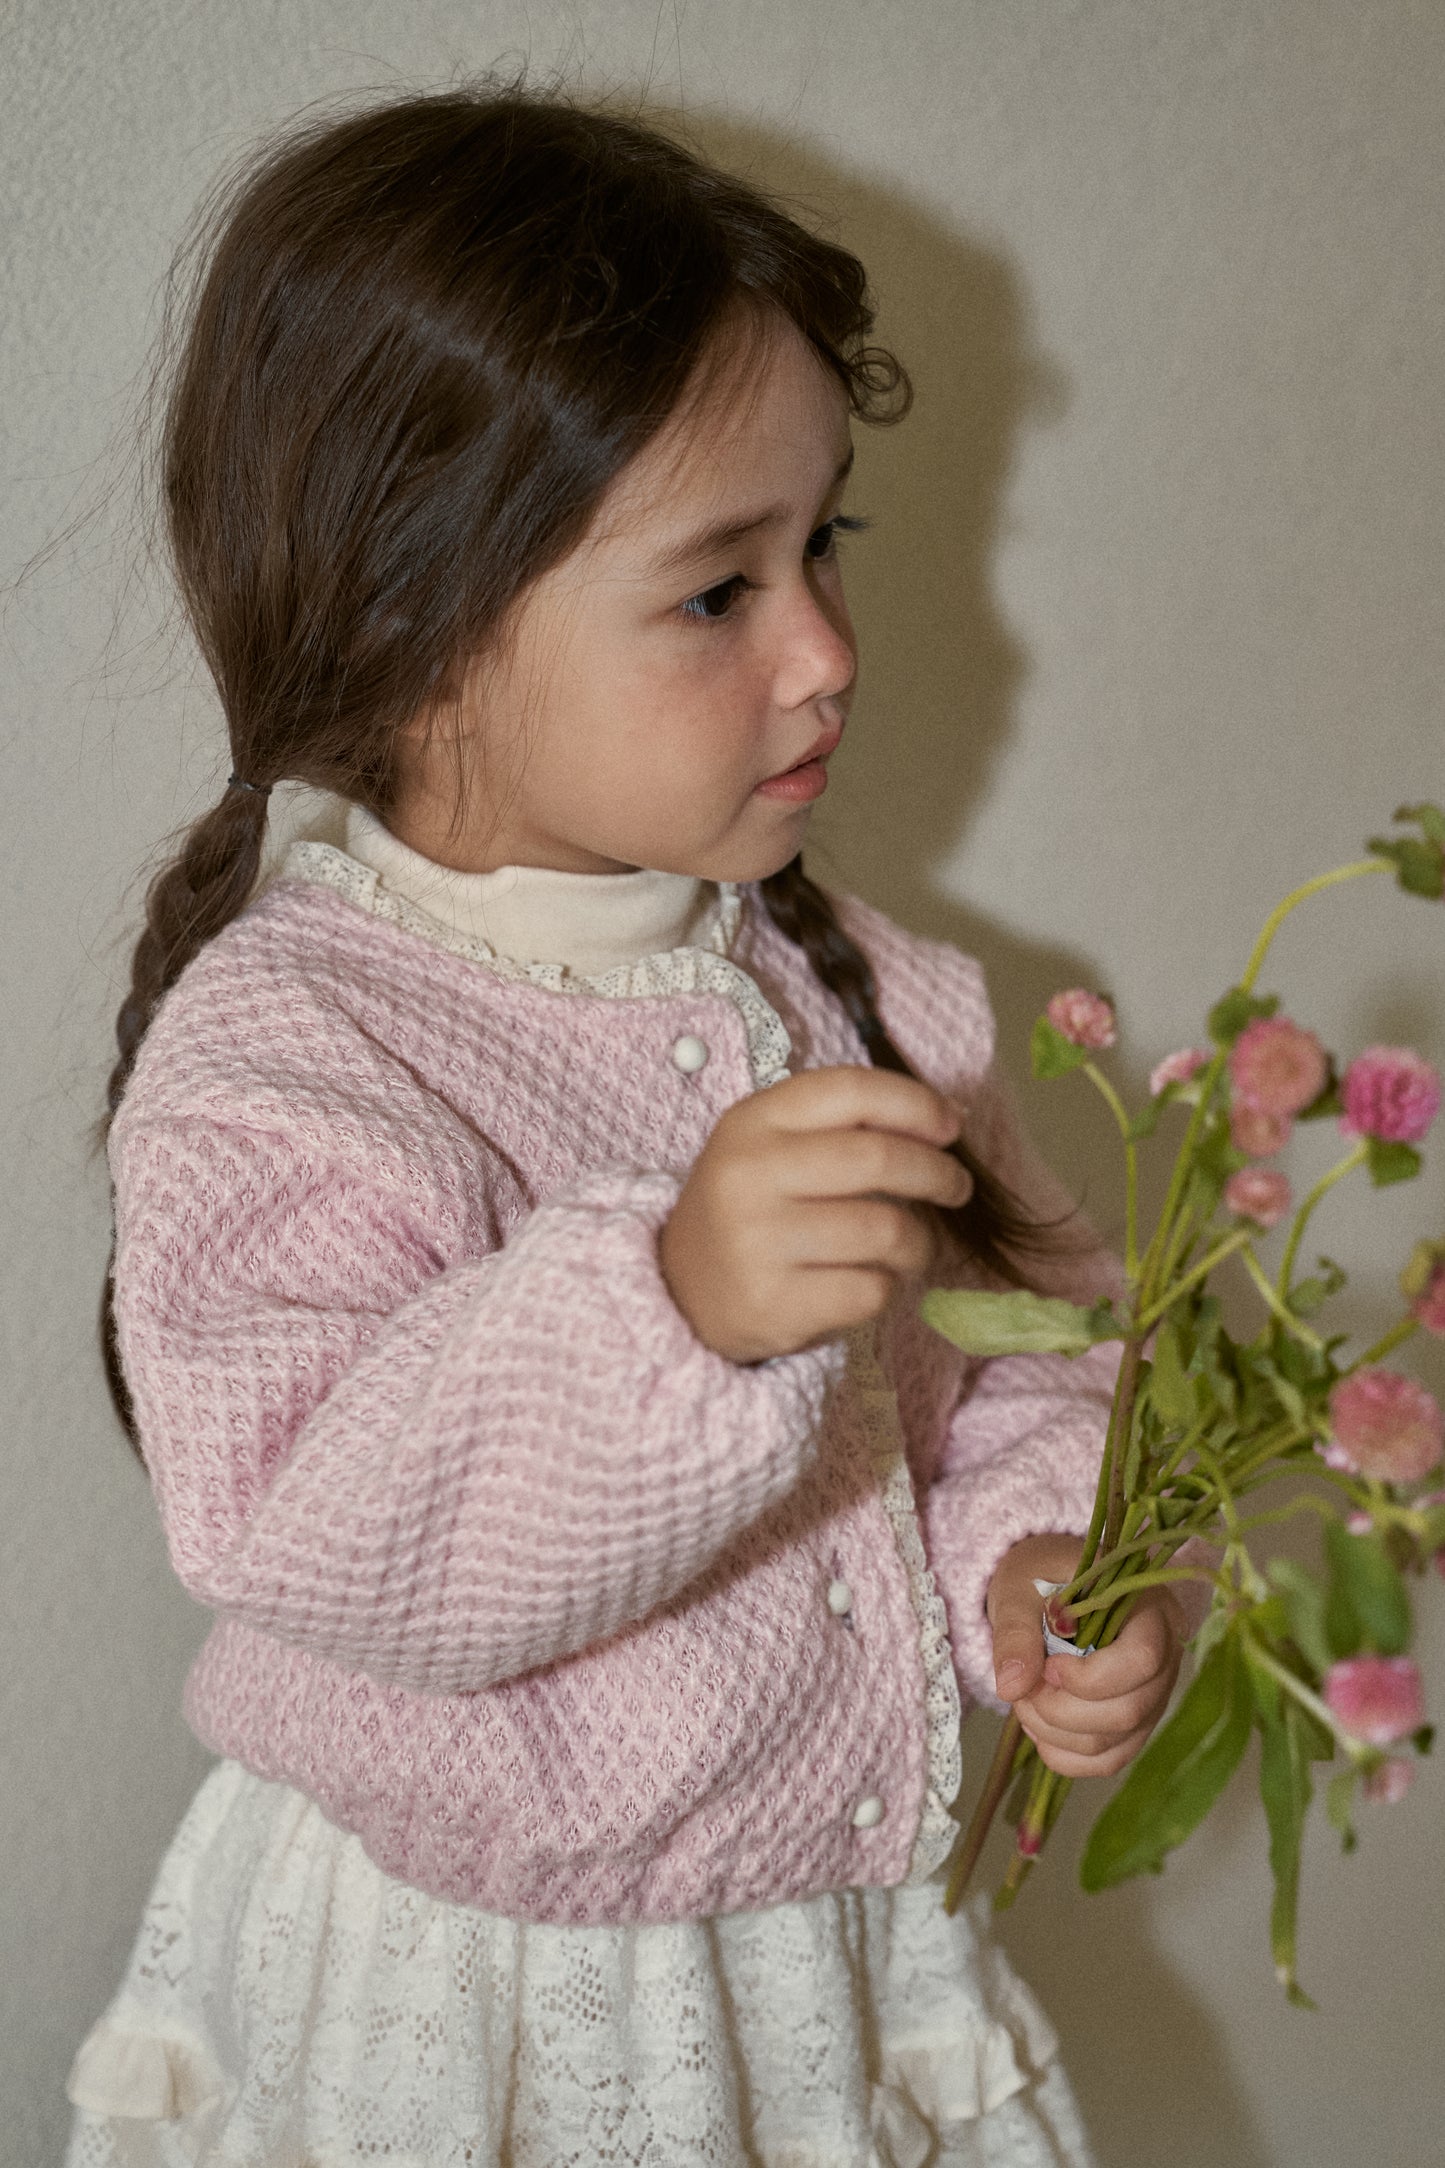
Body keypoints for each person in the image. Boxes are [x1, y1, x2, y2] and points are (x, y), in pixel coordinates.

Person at [64, 77, 1187, 2168]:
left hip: (824, 1961)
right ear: (418, 638)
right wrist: (675, 1309)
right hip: (476, 1996)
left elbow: (1025, 1359)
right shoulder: (295, 1045)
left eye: (822, 540)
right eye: (717, 589)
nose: (831, 650)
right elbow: (316, 1519)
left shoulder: (869, 990)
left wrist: (1041, 1561)